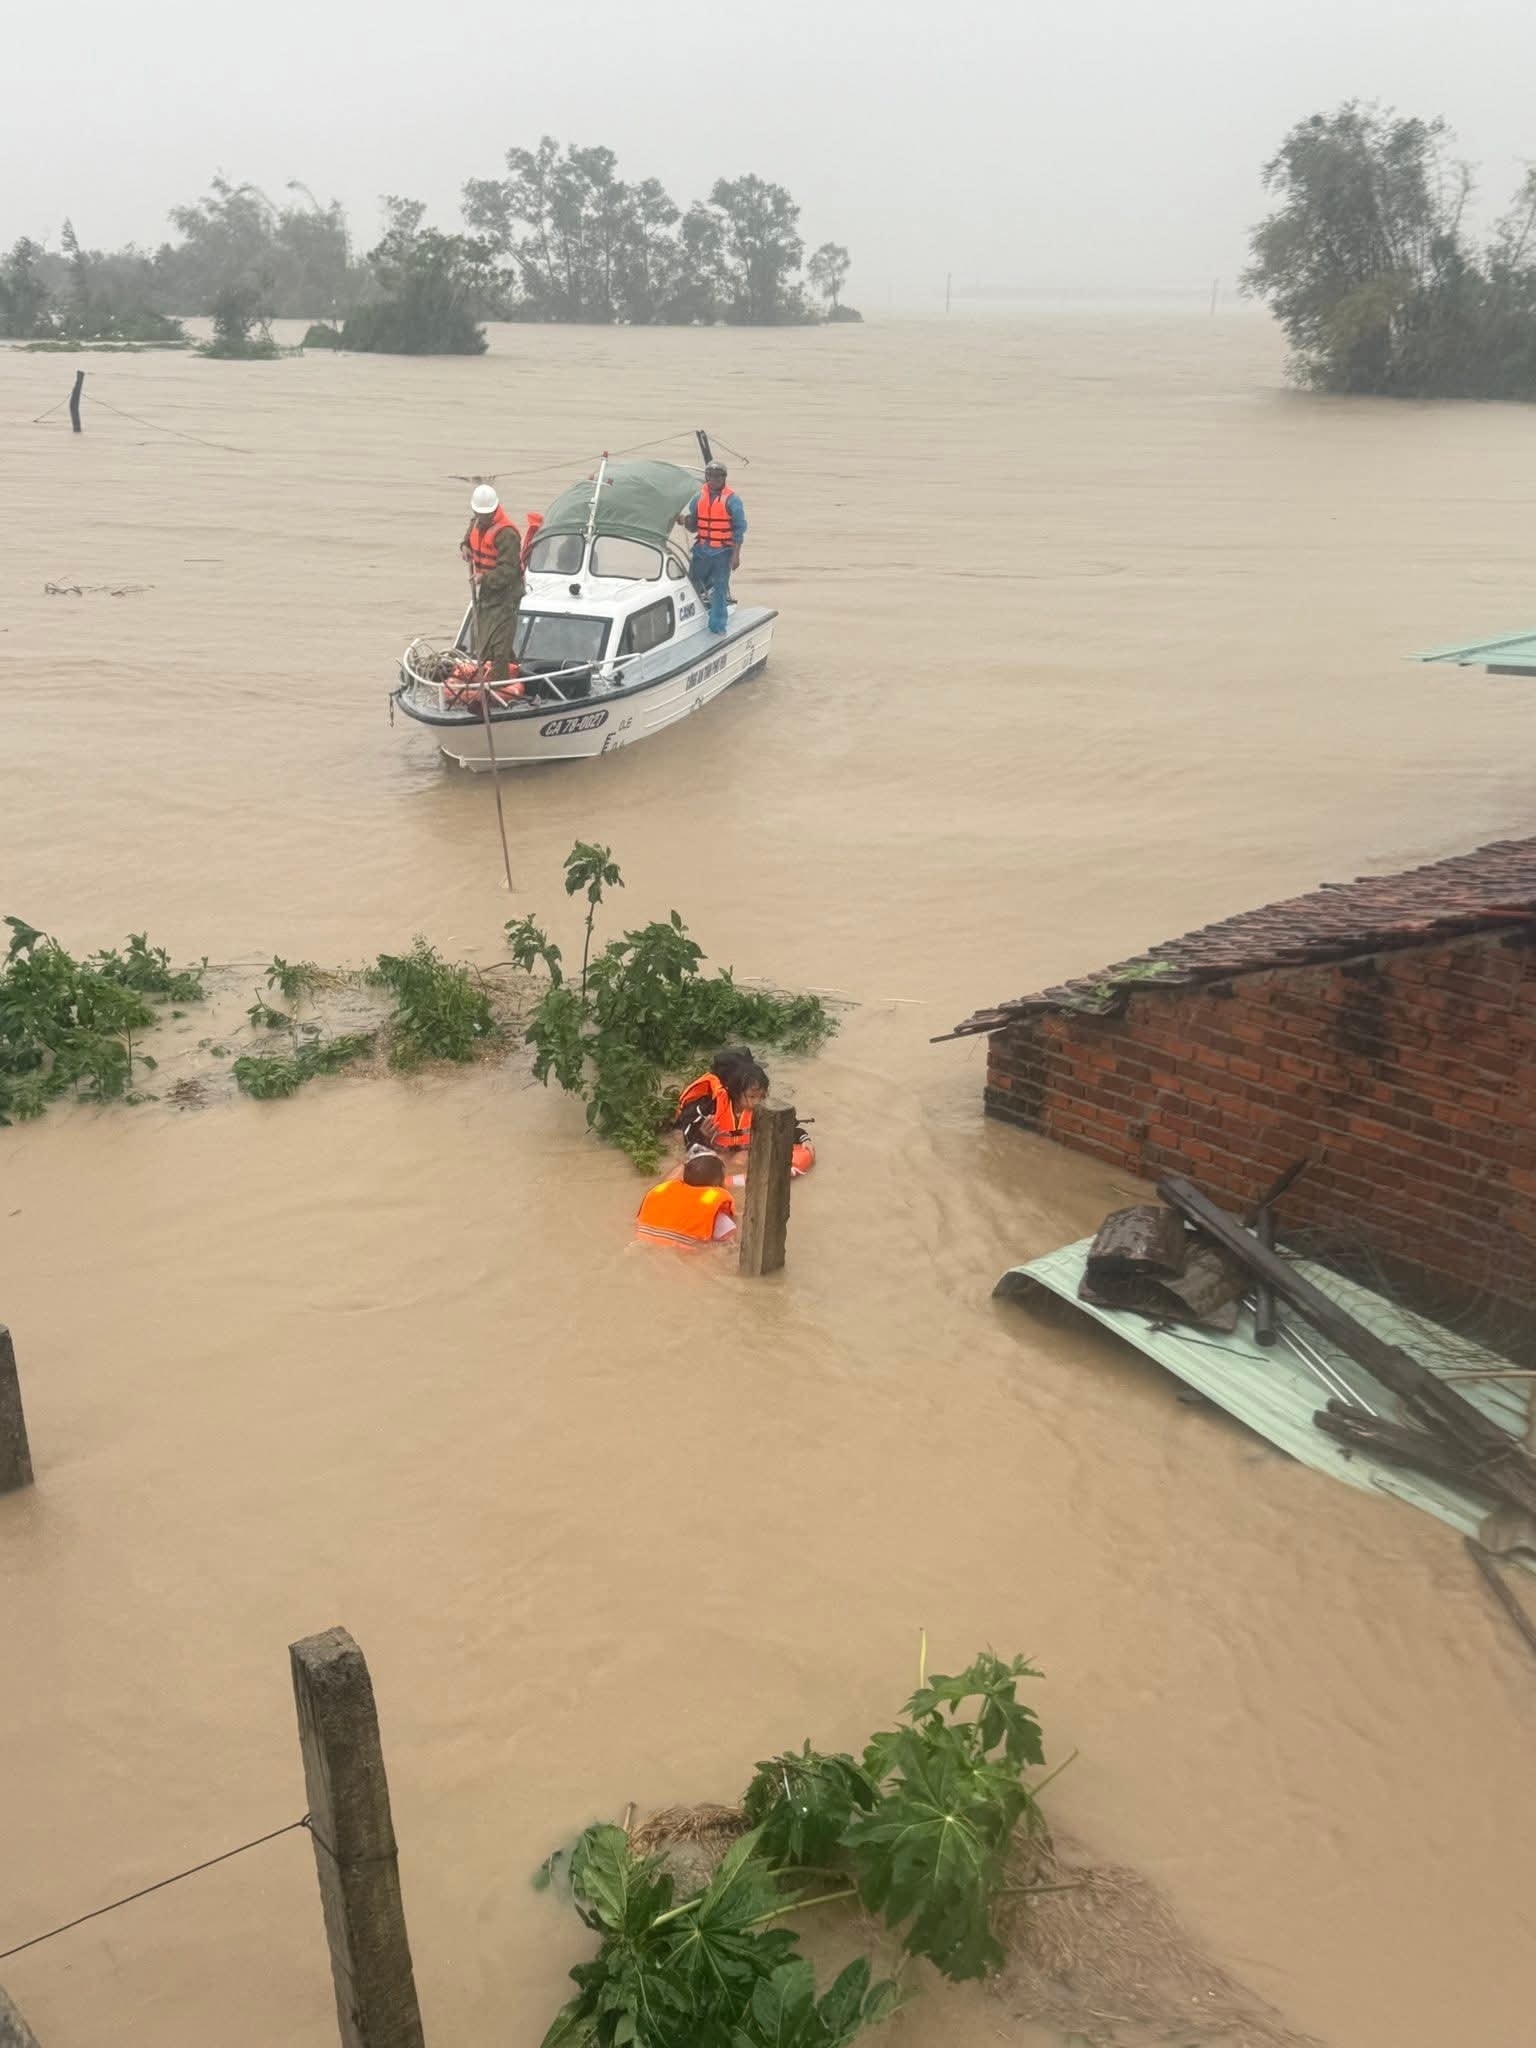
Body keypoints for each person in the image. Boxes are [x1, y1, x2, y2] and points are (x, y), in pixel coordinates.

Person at [461, 484, 525, 679]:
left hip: (507, 594)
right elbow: (467, 539)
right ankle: (513, 668)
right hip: (488, 593)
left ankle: (500, 681)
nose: (481, 518)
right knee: (481, 637)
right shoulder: (476, 523)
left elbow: (509, 570)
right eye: (478, 514)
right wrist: (464, 547)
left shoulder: (507, 534)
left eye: (485, 515)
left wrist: (484, 577)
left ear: (494, 511)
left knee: (500, 642)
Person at [681, 461, 746, 634]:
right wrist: (683, 520)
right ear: (706, 477)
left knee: (719, 589)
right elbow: (693, 525)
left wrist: (735, 555)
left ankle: (717, 626)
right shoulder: (698, 499)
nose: (713, 479)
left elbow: (739, 529)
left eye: (718, 476)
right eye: (710, 475)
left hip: (722, 553)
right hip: (701, 550)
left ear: (724, 477)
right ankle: (689, 623)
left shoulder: (733, 500)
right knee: (692, 584)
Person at [636, 1149, 738, 1243]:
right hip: (685, 1256)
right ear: (718, 1185)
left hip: (643, 1242)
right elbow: (729, 1243)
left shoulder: (663, 1194)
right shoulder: (716, 1213)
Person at [677, 1050, 768, 1155]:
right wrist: (703, 1135)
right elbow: (689, 1144)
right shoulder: (708, 1107)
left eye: (762, 1096)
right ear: (735, 1090)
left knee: (742, 1158)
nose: (758, 1101)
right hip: (716, 1153)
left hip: (742, 1155)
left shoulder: (764, 1107)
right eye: (752, 1096)